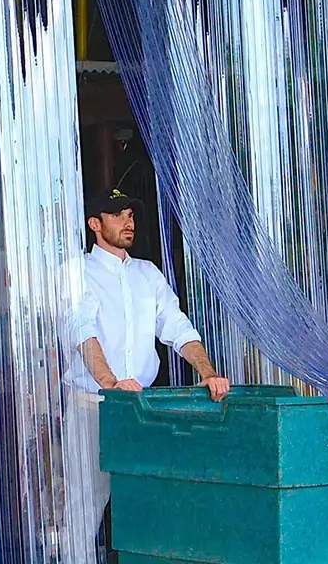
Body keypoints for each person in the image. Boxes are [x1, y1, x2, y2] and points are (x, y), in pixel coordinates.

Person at [60, 188, 230, 563]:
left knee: (147, 507)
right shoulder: (76, 272)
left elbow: (176, 325)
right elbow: (80, 330)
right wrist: (111, 384)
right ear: (95, 223)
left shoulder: (146, 273)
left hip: (141, 410)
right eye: (118, 215)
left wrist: (207, 372)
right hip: (95, 409)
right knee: (85, 511)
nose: (128, 222)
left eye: (131, 214)